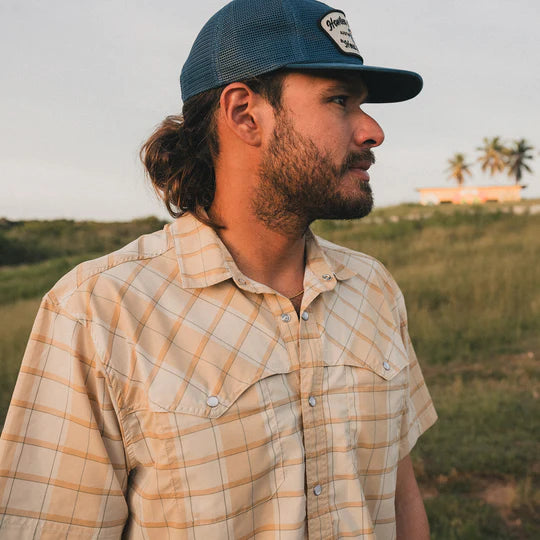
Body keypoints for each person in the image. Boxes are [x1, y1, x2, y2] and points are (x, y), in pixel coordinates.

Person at [0, 0, 437, 538]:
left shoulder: (372, 289)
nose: (373, 131)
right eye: (340, 101)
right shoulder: (98, 312)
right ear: (243, 114)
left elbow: (399, 495)